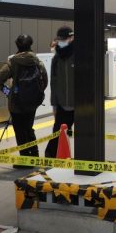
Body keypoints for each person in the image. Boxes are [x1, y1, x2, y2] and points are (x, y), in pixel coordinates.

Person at [0, 34, 48, 166]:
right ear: (30, 45)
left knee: (20, 131)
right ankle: (34, 155)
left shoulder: (13, 62)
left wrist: (8, 92)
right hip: (32, 102)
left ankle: (25, 160)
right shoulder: (37, 61)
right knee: (29, 128)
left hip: (16, 104)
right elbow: (45, 80)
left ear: (17, 45)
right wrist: (36, 93)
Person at [44, 26, 75, 158]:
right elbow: (54, 83)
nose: (61, 42)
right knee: (58, 131)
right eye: (59, 39)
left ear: (71, 38)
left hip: (79, 102)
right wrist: (54, 104)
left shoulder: (79, 55)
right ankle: (51, 156)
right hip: (62, 103)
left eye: (64, 39)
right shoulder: (56, 59)